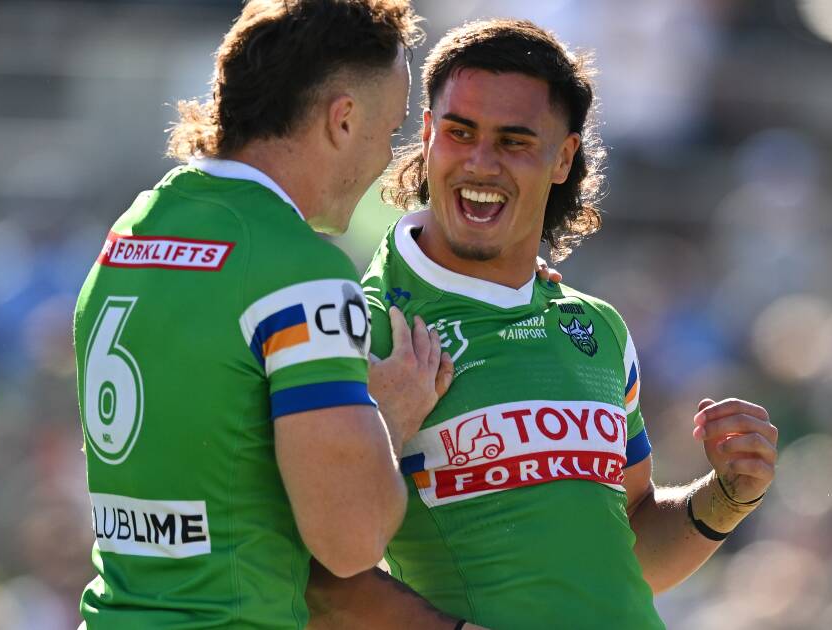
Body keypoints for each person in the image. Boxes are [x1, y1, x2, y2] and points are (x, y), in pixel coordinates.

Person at [307, 19, 779, 629]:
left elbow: (624, 551)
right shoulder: (363, 328)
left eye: (513, 141)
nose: (480, 163)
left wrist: (726, 496)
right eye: (460, 132)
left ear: (563, 158)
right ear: (426, 137)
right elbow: (314, 572)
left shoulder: (598, 329)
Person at [71, 2, 448, 628]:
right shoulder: (301, 270)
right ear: (343, 120)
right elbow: (349, 542)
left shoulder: (132, 229)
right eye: (391, 130)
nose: (389, 157)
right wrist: (391, 418)